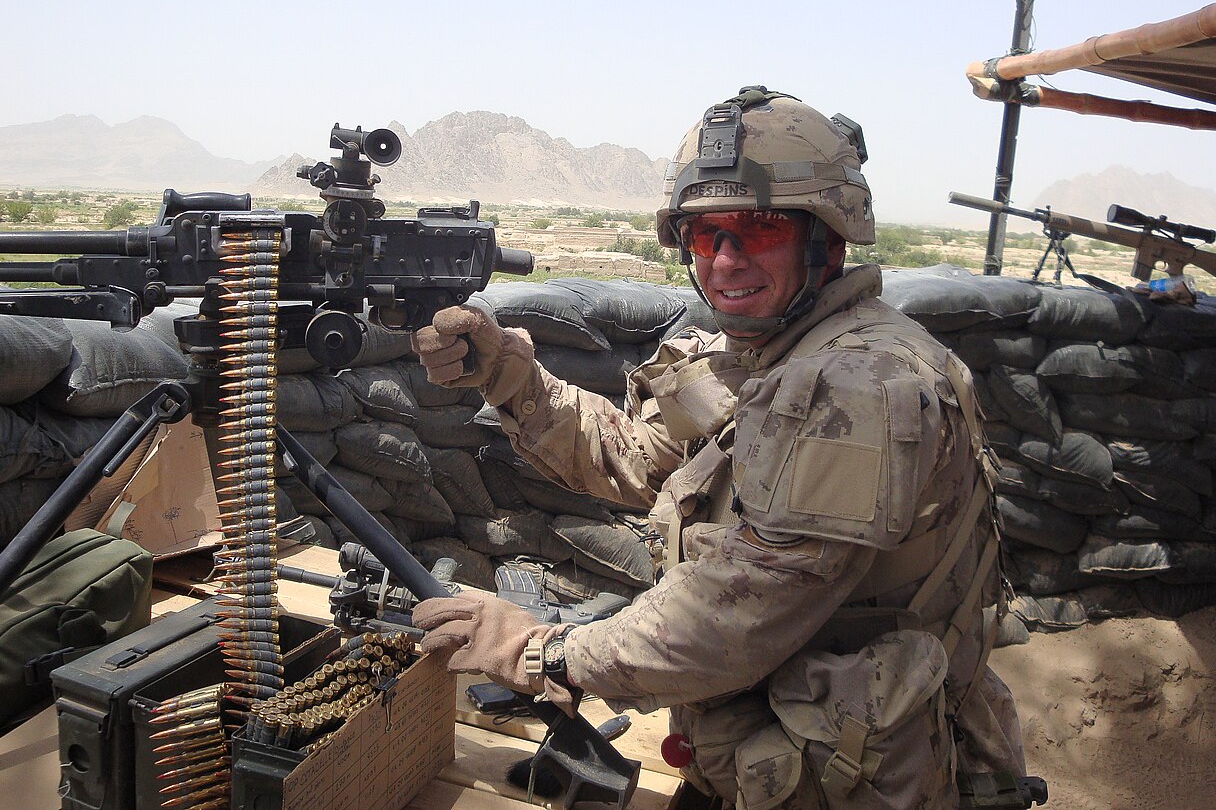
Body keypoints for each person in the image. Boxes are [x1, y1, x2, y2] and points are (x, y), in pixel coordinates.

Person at [410, 87, 1026, 809]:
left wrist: (541, 651)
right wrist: (509, 375)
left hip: (849, 775)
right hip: (778, 747)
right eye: (706, 236)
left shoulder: (858, 388)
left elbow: (734, 615)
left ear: (825, 238)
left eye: (757, 231)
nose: (726, 262)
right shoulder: (769, 359)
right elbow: (636, 456)